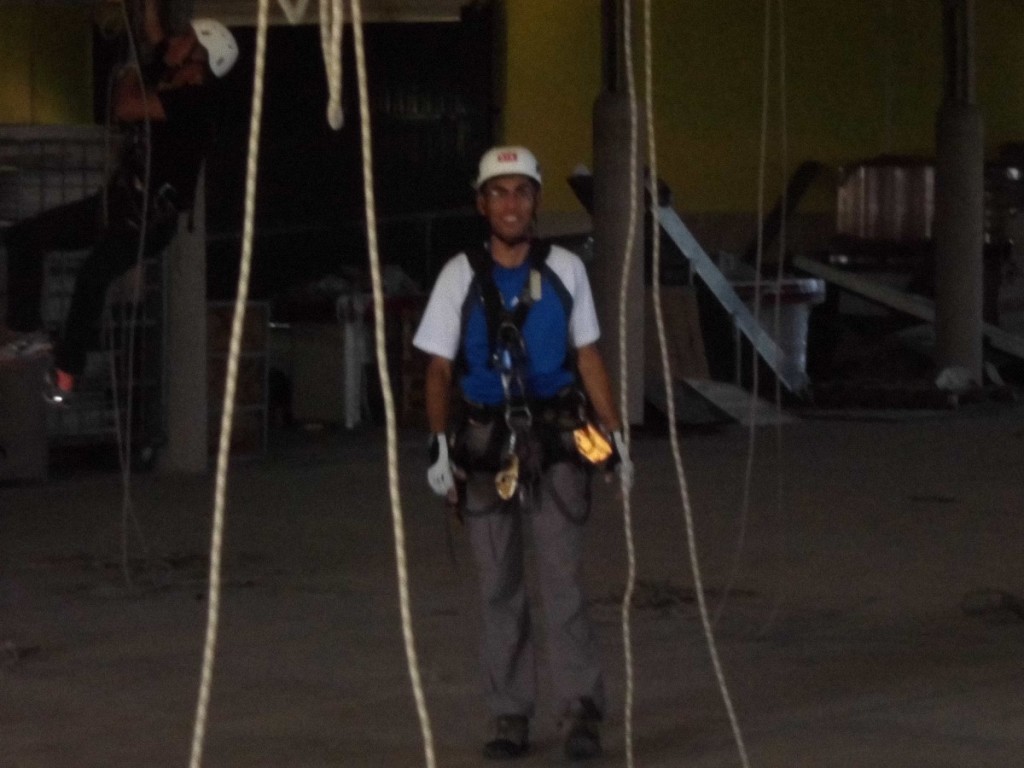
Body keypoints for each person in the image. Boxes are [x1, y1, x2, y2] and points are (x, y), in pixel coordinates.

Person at [413, 145, 633, 761]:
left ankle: (581, 711)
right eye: (499, 193)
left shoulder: (566, 268)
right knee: (498, 588)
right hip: (484, 447)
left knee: (563, 583)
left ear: (536, 201)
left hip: (558, 440)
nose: (511, 204)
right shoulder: (459, 275)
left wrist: (614, 434)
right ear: (481, 204)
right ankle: (509, 712)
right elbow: (438, 369)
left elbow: (586, 354)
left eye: (522, 192)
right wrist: (438, 445)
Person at [1, 0, 238, 403]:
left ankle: (66, 372)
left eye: (187, 41)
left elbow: (126, 107)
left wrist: (132, 68)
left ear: (197, 64)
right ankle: (27, 330)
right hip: (119, 203)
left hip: (145, 222)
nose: (176, 41)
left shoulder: (196, 104)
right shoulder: (177, 77)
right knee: (26, 237)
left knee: (92, 277)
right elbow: (155, 32)